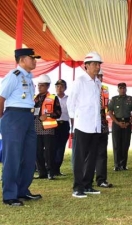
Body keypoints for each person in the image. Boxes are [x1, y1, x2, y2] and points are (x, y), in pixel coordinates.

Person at [0, 48, 42, 206]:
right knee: (13, 157)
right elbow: (1, 98)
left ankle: (22, 190)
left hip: (28, 117)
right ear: (23, 59)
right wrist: (3, 119)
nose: (35, 61)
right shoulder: (13, 76)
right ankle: (10, 195)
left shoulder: (29, 78)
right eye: (33, 58)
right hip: (14, 117)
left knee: (29, 156)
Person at [67, 52, 104, 198]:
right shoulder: (80, 81)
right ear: (86, 66)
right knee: (79, 158)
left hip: (95, 125)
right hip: (82, 125)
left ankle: (88, 185)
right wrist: (74, 121)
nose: (97, 66)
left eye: (99, 64)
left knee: (92, 157)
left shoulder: (98, 83)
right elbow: (71, 102)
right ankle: (78, 187)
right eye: (95, 64)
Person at [34, 74, 61, 180]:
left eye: (42, 85)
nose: (39, 87)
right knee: (37, 151)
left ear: (47, 86)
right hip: (36, 128)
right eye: (38, 85)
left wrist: (48, 115)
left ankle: (51, 172)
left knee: (49, 151)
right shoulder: (34, 98)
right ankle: (42, 172)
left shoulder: (53, 98)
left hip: (48, 129)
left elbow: (58, 113)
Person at [108, 82, 132, 171]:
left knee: (125, 144)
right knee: (116, 144)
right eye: (120, 88)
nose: (122, 90)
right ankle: (117, 165)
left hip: (127, 122)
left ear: (126, 89)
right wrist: (117, 122)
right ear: (118, 89)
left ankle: (123, 165)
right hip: (117, 123)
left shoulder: (131, 99)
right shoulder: (114, 99)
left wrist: (129, 122)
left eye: (124, 88)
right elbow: (110, 113)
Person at [95, 70, 113, 188]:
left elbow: (106, 108)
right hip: (89, 125)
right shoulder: (86, 87)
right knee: (88, 154)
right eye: (97, 76)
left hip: (102, 124)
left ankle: (101, 180)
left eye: (100, 76)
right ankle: (86, 180)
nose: (99, 78)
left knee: (102, 153)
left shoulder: (105, 89)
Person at [53, 79, 72, 176]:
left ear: (65, 88)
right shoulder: (51, 98)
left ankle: (57, 169)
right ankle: (50, 168)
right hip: (53, 125)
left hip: (64, 124)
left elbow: (72, 114)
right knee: (52, 147)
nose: (59, 88)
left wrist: (72, 128)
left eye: (61, 86)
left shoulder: (69, 99)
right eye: (57, 86)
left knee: (61, 147)